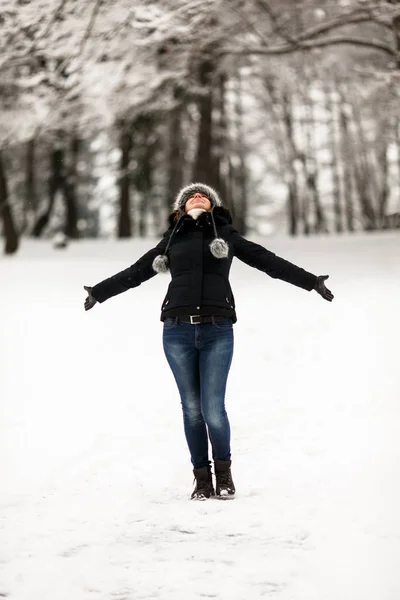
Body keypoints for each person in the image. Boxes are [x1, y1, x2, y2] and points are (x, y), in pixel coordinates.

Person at [84, 183, 334, 500]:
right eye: (189, 195)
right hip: (176, 330)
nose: (197, 196)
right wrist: (99, 292)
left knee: (212, 409)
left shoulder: (226, 236)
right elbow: (136, 272)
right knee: (191, 409)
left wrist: (311, 282)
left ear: (213, 205)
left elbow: (267, 261)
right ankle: (202, 480)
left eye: (203, 195)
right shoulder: (171, 239)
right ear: (181, 208)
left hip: (218, 329)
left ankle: (224, 474)